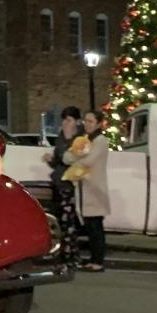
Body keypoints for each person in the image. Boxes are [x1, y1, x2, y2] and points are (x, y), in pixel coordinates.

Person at [64, 110, 110, 272]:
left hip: (95, 190)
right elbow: (66, 157)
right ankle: (93, 259)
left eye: (91, 121)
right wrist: (77, 156)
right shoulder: (84, 140)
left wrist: (77, 156)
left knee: (96, 227)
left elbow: (88, 161)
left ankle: (98, 262)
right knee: (90, 228)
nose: (87, 124)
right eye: (86, 121)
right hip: (84, 189)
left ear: (98, 124)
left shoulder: (100, 141)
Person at [43, 106, 83, 270]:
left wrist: (65, 141)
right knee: (62, 220)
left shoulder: (79, 139)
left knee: (68, 221)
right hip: (59, 181)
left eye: (69, 120)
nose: (65, 123)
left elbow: (69, 158)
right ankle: (68, 253)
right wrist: (50, 159)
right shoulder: (62, 136)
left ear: (76, 122)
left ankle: (70, 255)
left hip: (69, 183)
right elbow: (59, 158)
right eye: (64, 120)